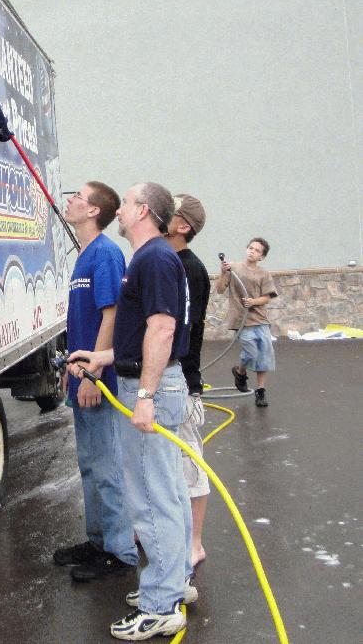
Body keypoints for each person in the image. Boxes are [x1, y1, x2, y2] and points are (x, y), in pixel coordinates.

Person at [68, 182, 196, 641]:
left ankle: (161, 606)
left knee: (151, 499)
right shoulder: (152, 258)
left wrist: (144, 395)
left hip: (151, 387)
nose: (118, 211)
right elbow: (139, 333)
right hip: (150, 380)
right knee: (168, 491)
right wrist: (100, 357)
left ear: (142, 211)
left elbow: (161, 330)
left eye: (125, 203)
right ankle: (174, 581)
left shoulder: (154, 258)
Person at [53, 181, 138, 582]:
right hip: (81, 380)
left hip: (97, 380)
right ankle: (98, 541)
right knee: (90, 465)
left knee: (107, 468)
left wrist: (93, 373)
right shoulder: (85, 254)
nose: (69, 200)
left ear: (93, 211)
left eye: (77, 196)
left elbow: (112, 315)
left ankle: (120, 552)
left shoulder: (105, 254)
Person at [166, 194, 210, 567]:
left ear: (183, 226)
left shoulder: (190, 269)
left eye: (171, 211)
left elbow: (183, 328)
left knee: (189, 464)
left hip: (182, 380)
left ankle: (195, 543)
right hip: (168, 379)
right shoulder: (167, 261)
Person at [215, 238, 278, 407]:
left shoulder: (264, 274)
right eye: (250, 248)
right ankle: (240, 372)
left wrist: (254, 302)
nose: (252, 251)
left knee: (264, 355)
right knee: (250, 353)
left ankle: (261, 391)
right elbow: (220, 289)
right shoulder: (233, 268)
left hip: (260, 319)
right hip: (241, 320)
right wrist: (223, 272)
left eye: (257, 250)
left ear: (262, 257)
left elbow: (267, 297)